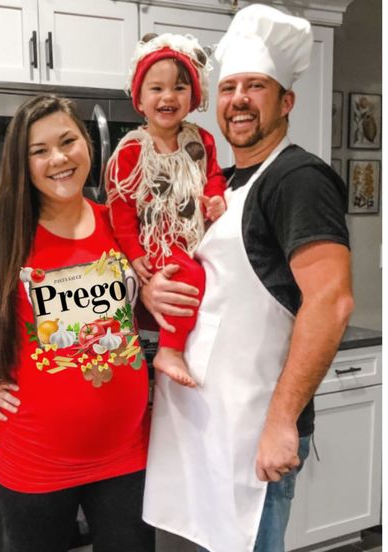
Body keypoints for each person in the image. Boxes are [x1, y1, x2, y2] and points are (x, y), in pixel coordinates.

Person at [140, 5, 355, 552]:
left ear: (286, 101)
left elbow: (330, 302)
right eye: (230, 87)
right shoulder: (227, 181)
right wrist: (152, 286)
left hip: (253, 428)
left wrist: (282, 423)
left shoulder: (298, 179)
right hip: (204, 424)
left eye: (256, 87)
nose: (238, 99)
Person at [0, 95, 155, 552]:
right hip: (36, 461)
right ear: (23, 163)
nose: (59, 158)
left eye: (68, 141)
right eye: (40, 150)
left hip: (127, 453)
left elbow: (140, 306)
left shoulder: (120, 225)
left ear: (87, 144)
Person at [106, 32, 227, 388]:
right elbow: (121, 210)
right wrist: (134, 254)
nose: (168, 97)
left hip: (196, 236)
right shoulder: (132, 152)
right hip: (157, 245)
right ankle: (170, 351)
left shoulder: (200, 141)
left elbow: (213, 177)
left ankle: (183, 347)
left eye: (179, 88)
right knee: (190, 277)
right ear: (140, 99)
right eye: (156, 89)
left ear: (194, 97)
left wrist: (216, 198)